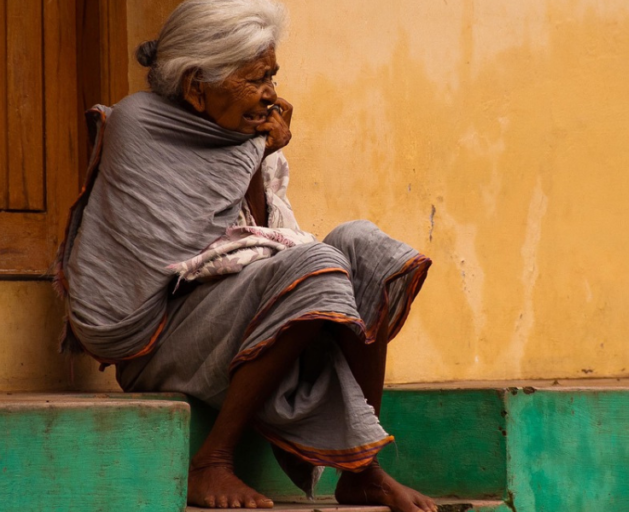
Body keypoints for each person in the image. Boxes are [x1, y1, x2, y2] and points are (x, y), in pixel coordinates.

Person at [54, 1, 435, 510]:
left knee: (365, 248)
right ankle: (211, 462)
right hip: (157, 335)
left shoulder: (236, 134)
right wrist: (254, 148)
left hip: (226, 317)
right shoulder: (140, 123)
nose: (272, 95)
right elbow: (191, 252)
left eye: (272, 76)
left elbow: (254, 233)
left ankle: (361, 470)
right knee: (317, 265)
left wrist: (257, 152)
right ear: (196, 86)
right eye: (256, 79)